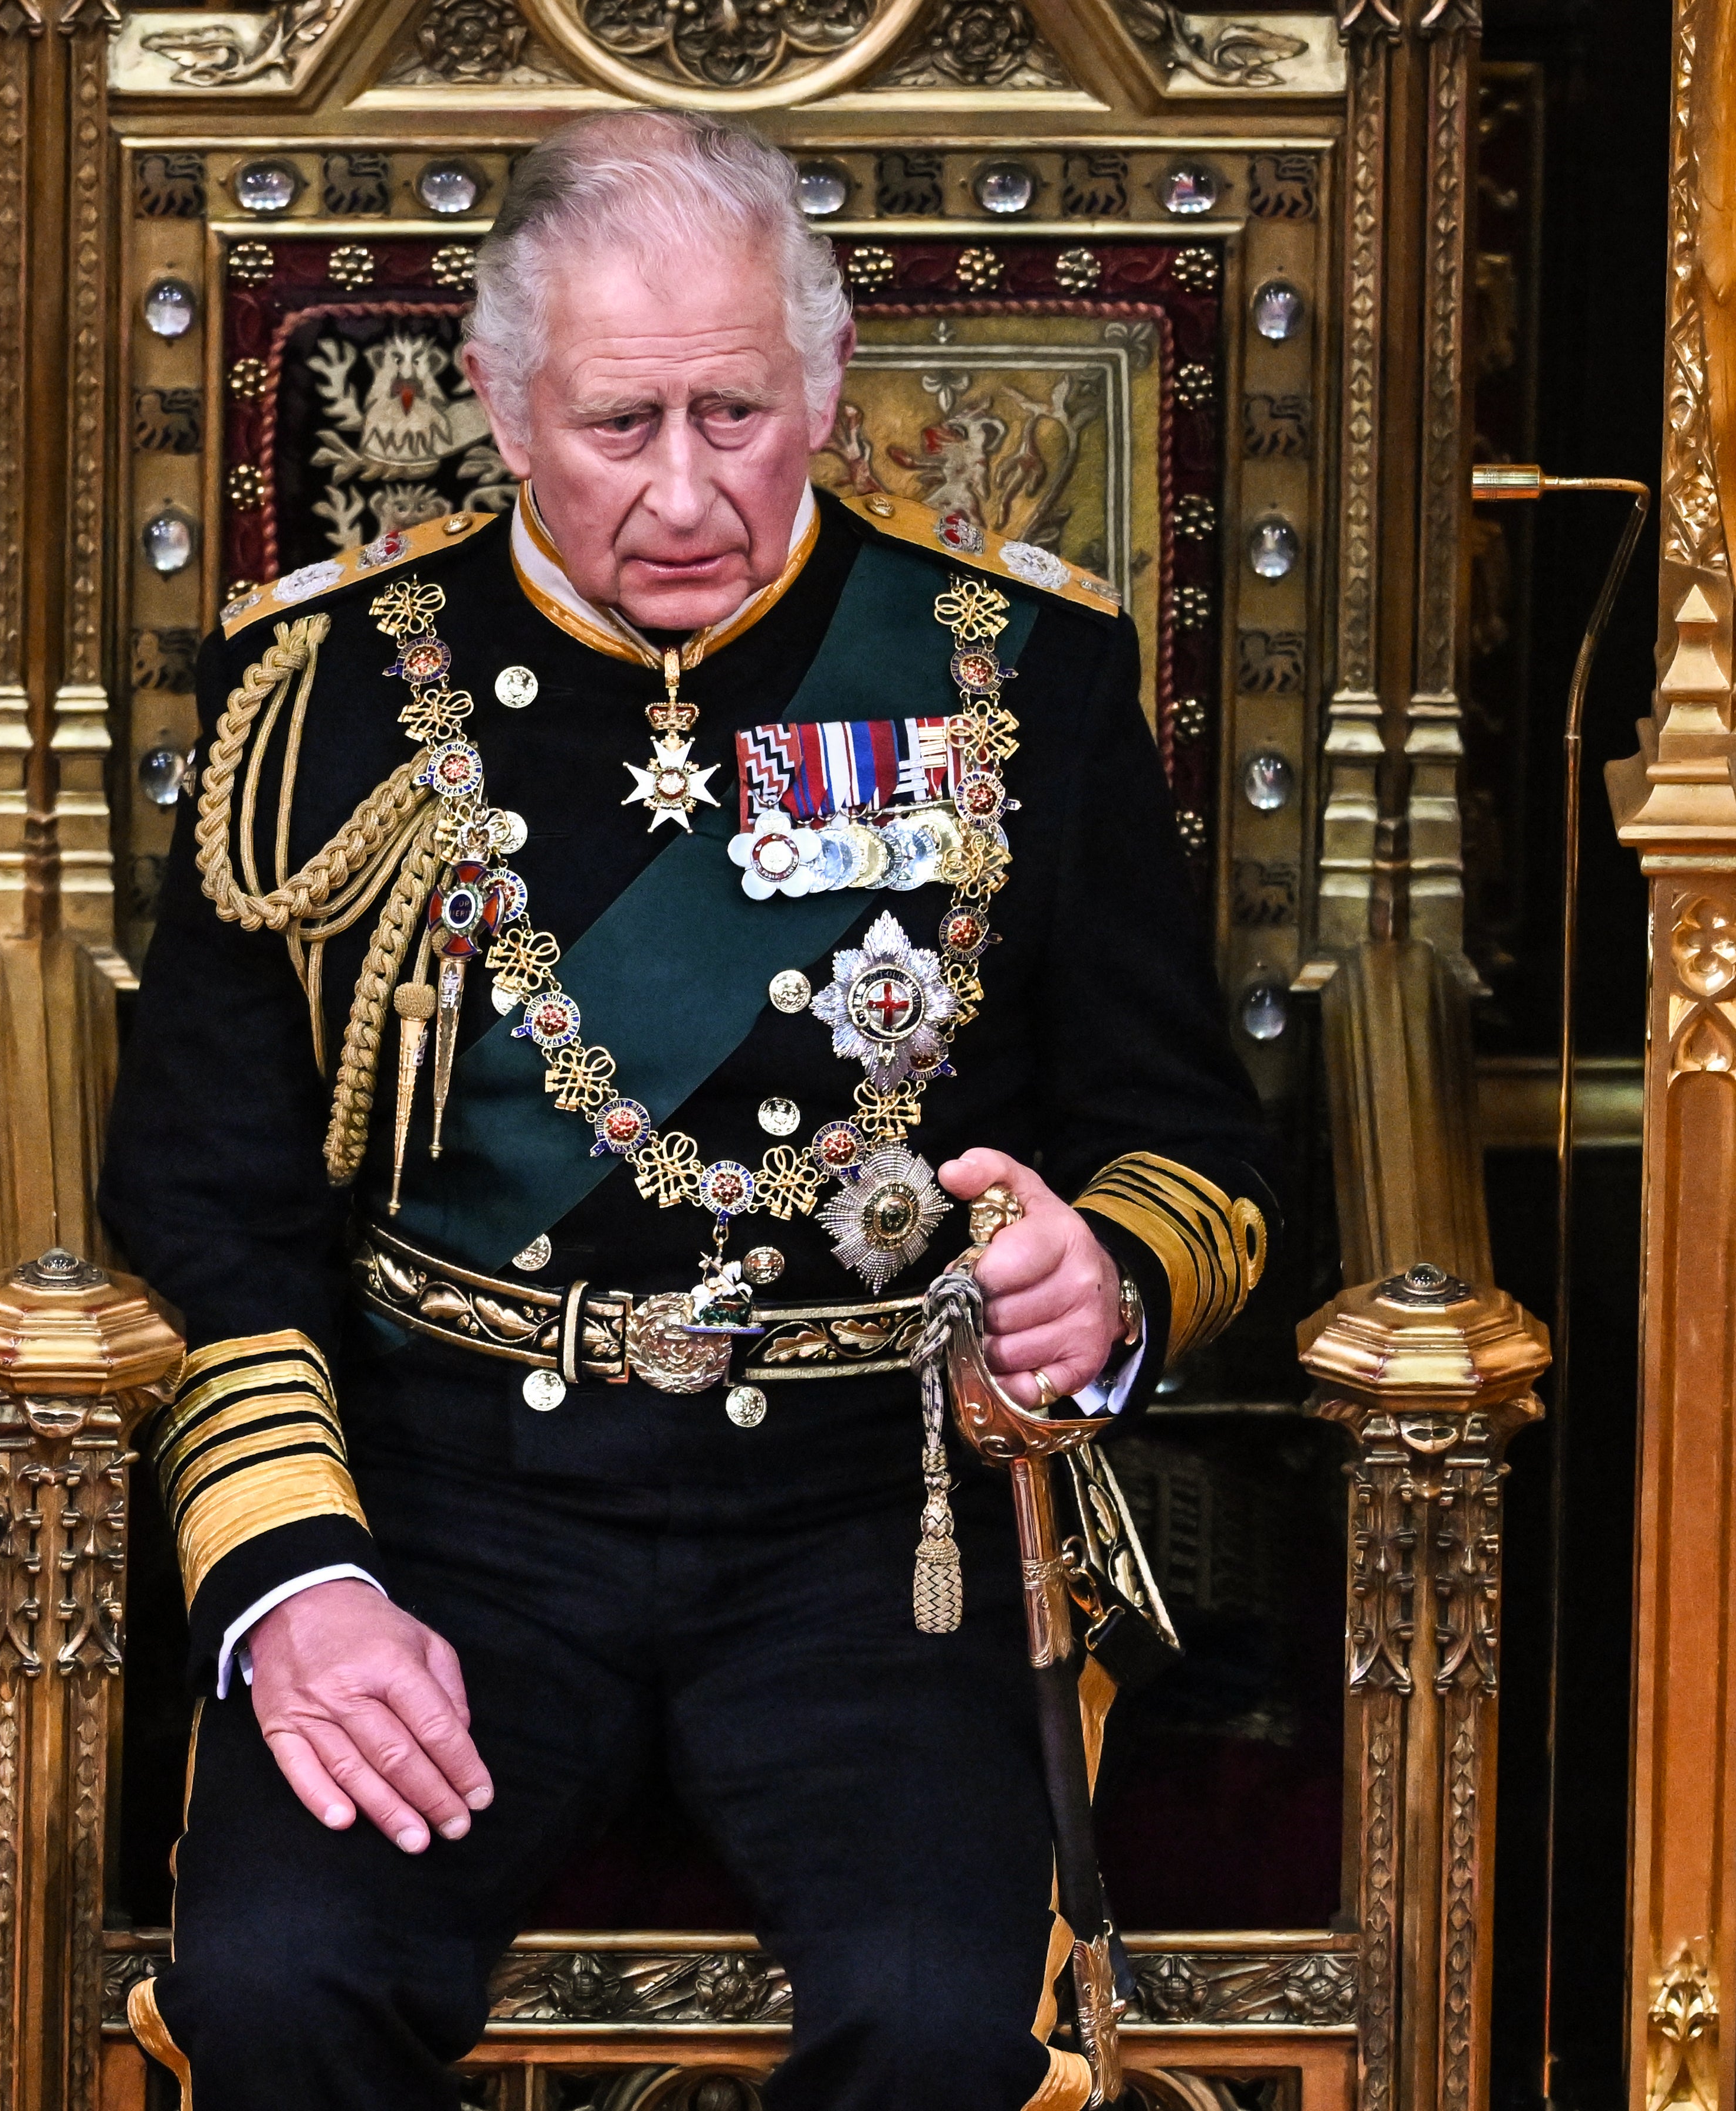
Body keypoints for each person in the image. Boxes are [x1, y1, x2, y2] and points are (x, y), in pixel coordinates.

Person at [100, 107, 1276, 2111]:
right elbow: (207, 1204)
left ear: (823, 386)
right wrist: (301, 1582)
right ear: (494, 398)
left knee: (932, 2016)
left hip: (870, 1528)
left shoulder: (1026, 680)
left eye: (732, 414)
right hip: (444, 1507)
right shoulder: (322, 700)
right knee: (283, 1979)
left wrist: (1108, 1279)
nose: (676, 495)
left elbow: (1194, 1150)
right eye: (611, 424)